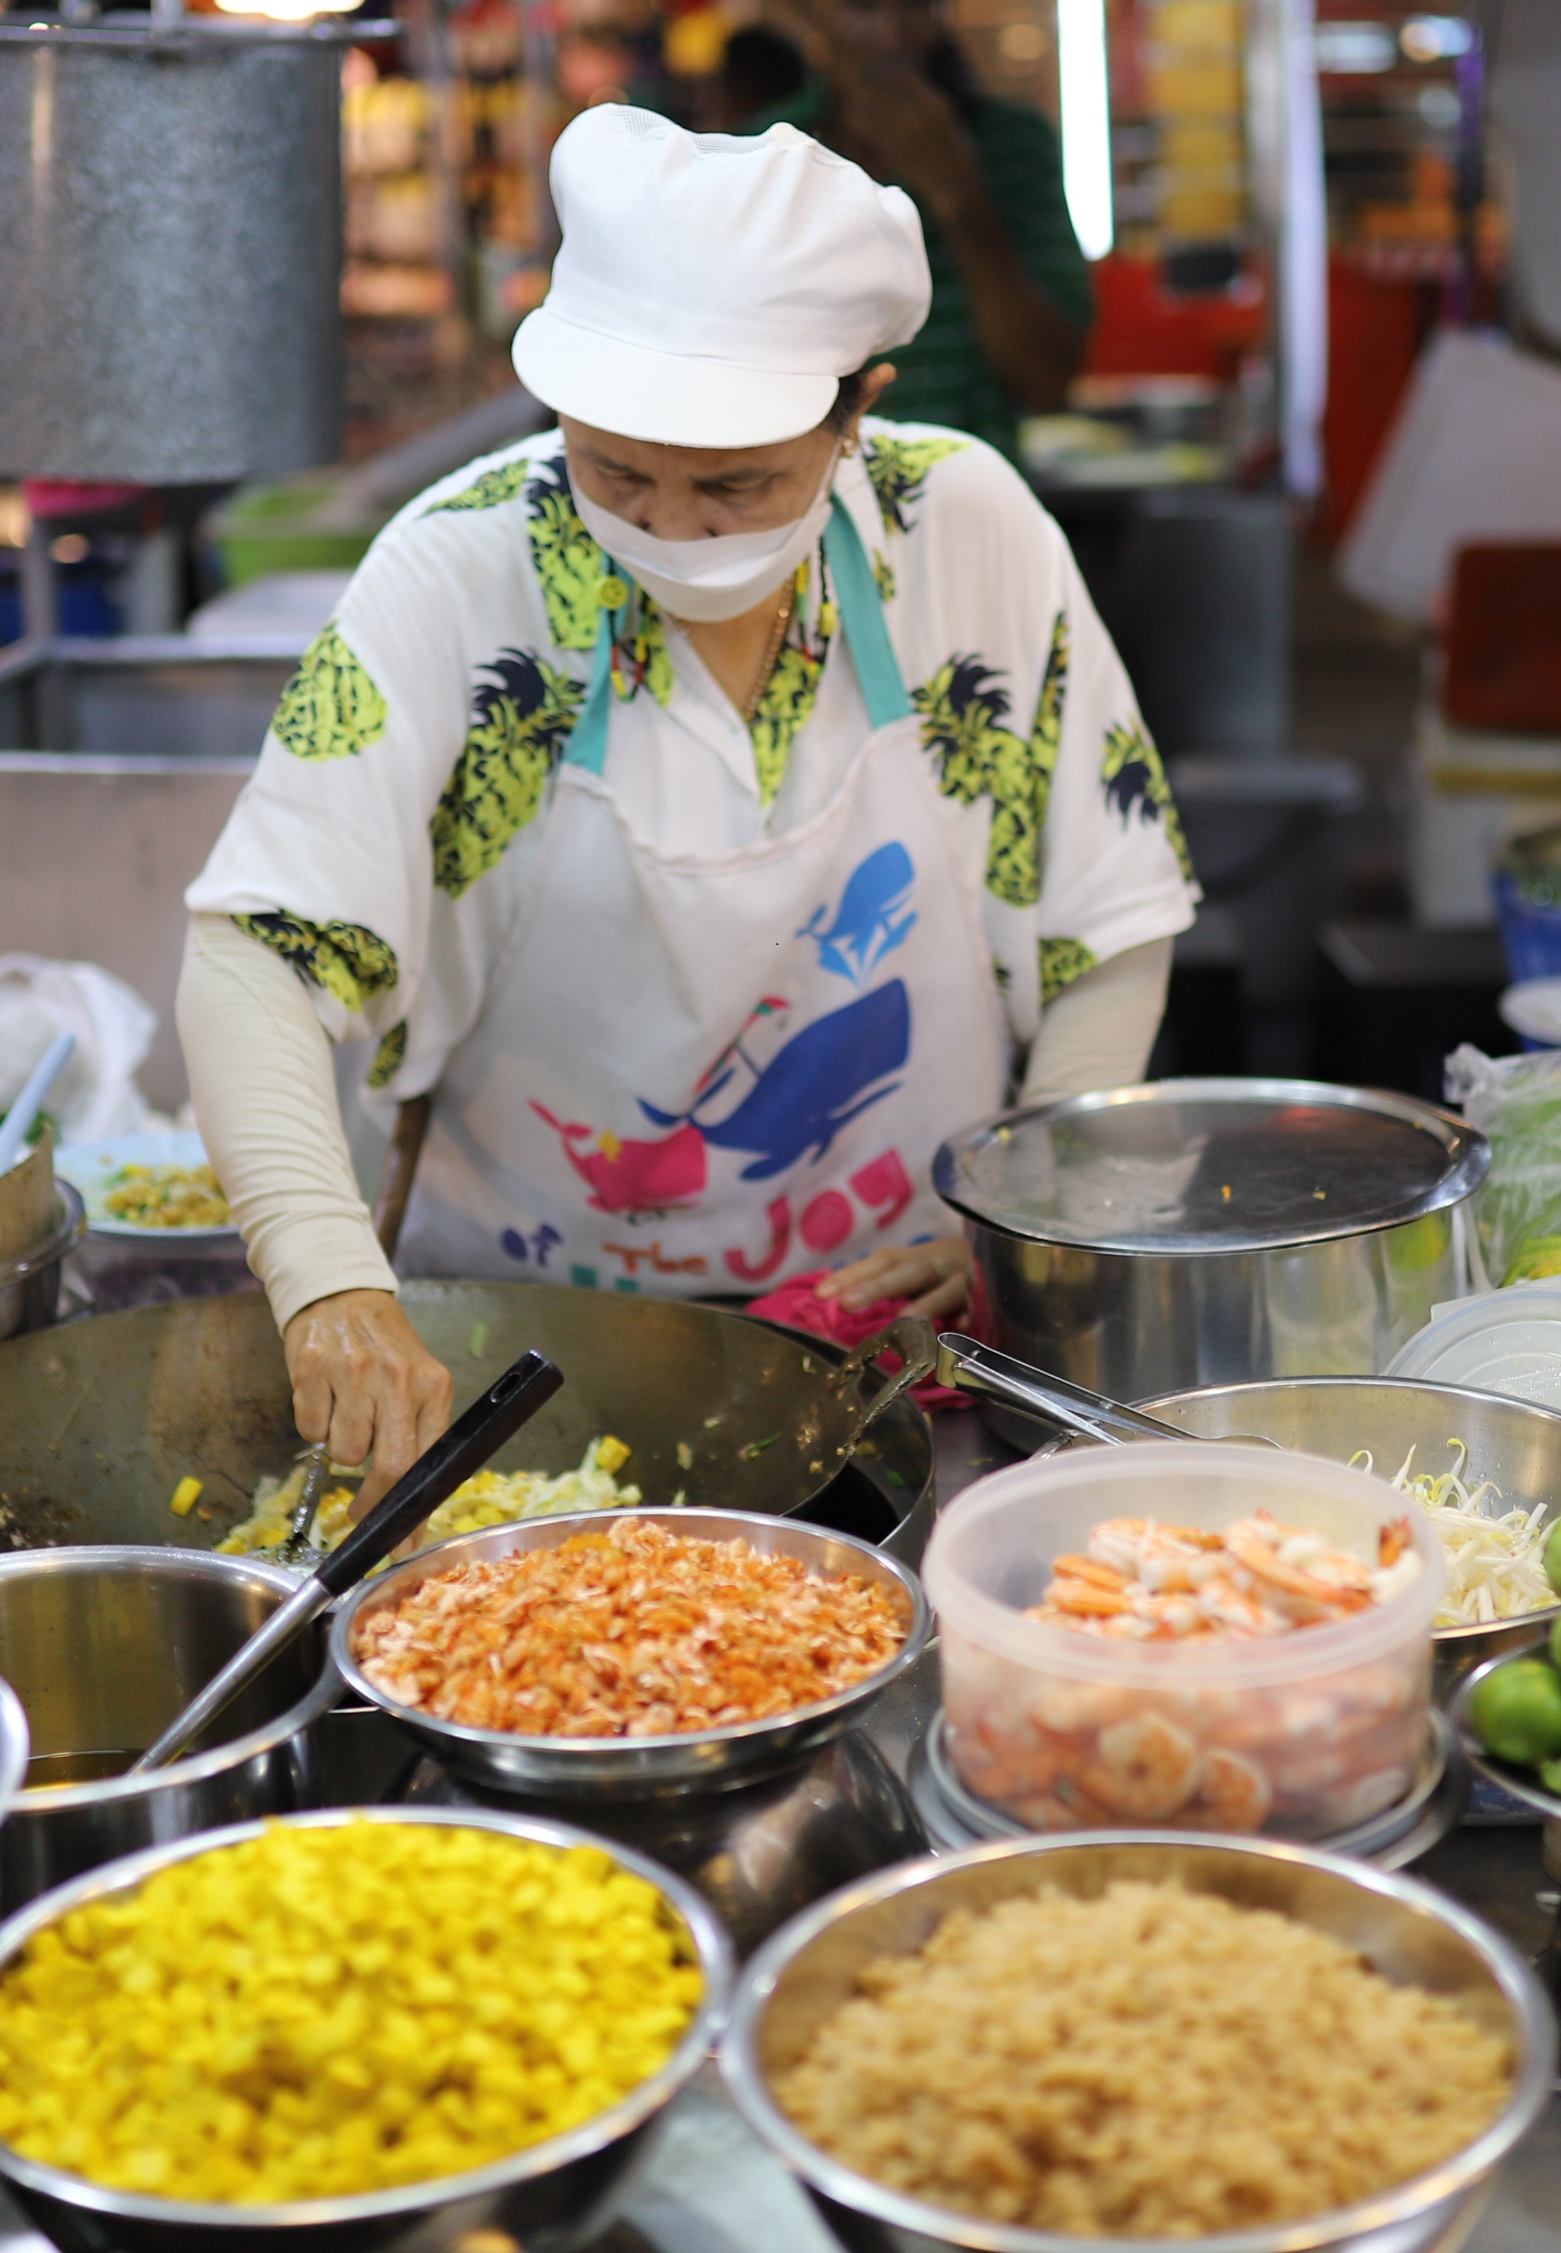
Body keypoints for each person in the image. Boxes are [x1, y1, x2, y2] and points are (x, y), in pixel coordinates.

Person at [179, 105, 1198, 1492]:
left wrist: (1020, 1241)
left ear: (860, 405)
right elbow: (261, 952)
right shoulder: (459, 571)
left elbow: (1109, 923)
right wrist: (323, 1276)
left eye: (735, 485)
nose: (669, 528)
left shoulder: (967, 532)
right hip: (520, 1369)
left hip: (895, 1349)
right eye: (614, 470)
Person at [749, 0, 1094, 451]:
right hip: (801, 509)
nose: (891, 31)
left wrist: (961, 196)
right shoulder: (757, 154)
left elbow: (1047, 383)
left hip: (973, 502)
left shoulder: (1014, 143)